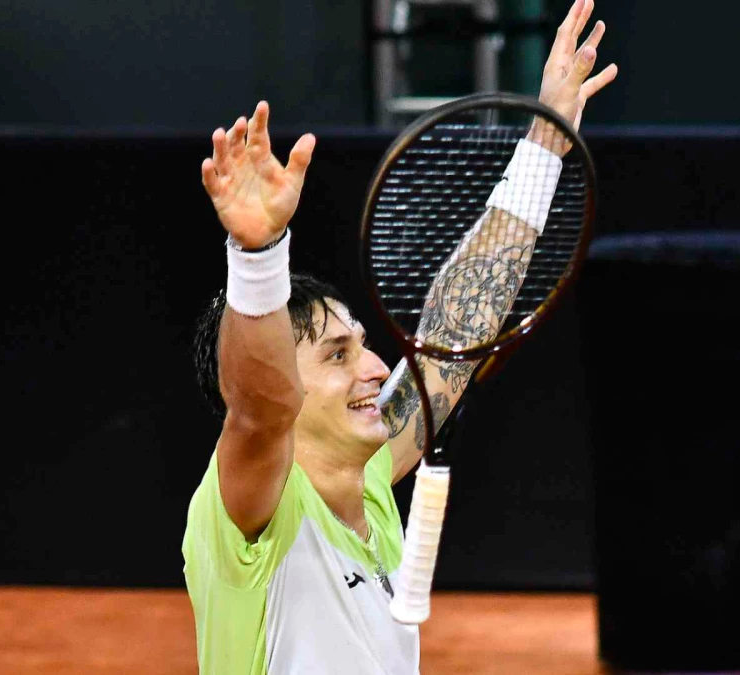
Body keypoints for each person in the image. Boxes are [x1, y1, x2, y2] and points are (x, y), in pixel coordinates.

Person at [182, 1, 617, 672]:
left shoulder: (374, 477)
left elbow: (456, 329)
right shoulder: (249, 508)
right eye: (336, 353)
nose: (374, 366)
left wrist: (544, 141)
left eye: (360, 342)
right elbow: (262, 408)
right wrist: (259, 256)